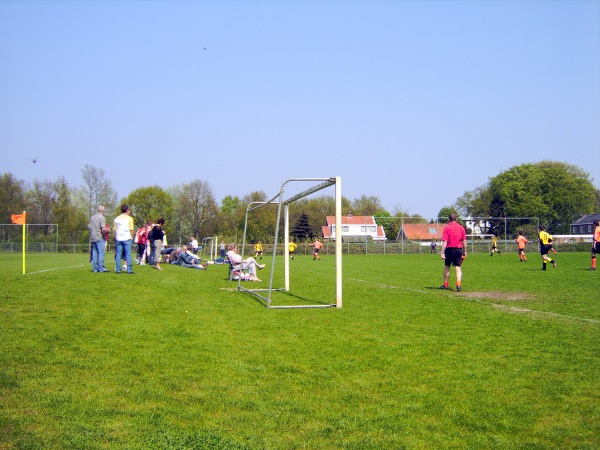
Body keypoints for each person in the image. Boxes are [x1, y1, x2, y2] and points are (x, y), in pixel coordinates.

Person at [440, 213, 467, 292]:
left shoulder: (447, 228)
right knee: (457, 267)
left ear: (449, 219)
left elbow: (445, 242)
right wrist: (464, 251)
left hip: (449, 250)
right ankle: (458, 285)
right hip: (458, 250)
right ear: (457, 219)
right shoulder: (461, 228)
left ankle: (445, 285)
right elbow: (464, 241)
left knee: (447, 266)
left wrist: (442, 252)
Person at [113, 204, 135, 274]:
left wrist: (116, 237)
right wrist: (132, 237)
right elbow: (131, 229)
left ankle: (118, 269)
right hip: (127, 237)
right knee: (128, 254)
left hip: (119, 238)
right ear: (127, 210)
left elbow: (115, 230)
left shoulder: (116, 219)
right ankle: (129, 269)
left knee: (118, 254)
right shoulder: (129, 218)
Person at [88, 205, 110, 273]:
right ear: (103, 211)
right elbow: (103, 229)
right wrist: (106, 232)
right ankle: (101, 268)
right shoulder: (102, 218)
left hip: (93, 237)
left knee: (94, 253)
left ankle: (95, 268)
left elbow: (89, 226)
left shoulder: (92, 217)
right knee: (101, 253)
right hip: (99, 237)